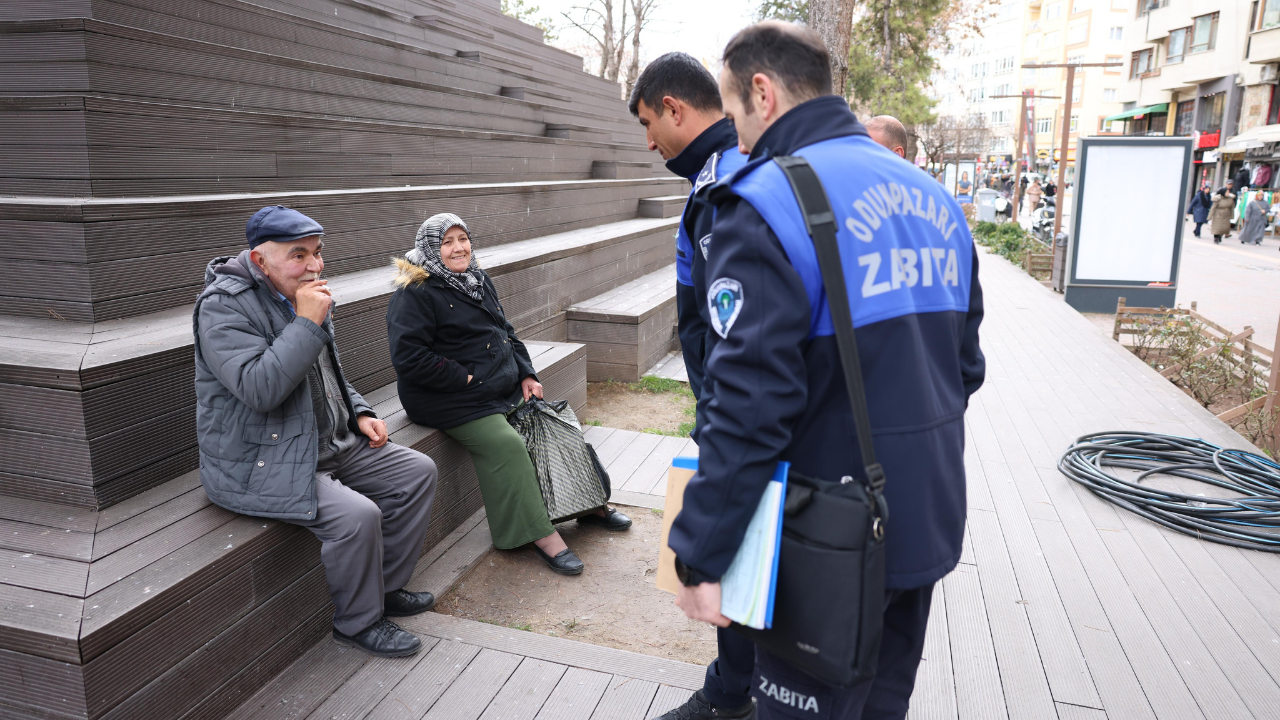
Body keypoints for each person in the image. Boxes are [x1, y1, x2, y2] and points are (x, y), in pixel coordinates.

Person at [670, 21, 985, 720]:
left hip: (827, 542)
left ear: (763, 91)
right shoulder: (935, 201)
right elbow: (965, 368)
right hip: (923, 519)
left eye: (731, 113)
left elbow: (749, 405)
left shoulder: (766, 203)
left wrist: (701, 553)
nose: (735, 136)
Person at [194, 205, 439, 658]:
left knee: (416, 472)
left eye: (318, 253)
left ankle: (381, 590)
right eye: (298, 255)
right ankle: (357, 623)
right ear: (259, 261)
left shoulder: (301, 292)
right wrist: (306, 322)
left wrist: (360, 410)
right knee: (357, 517)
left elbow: (328, 372)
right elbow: (259, 388)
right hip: (258, 460)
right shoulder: (221, 308)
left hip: (325, 440)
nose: (314, 265)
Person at [386, 214, 631, 577]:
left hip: (494, 384)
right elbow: (409, 358)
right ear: (430, 249)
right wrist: (465, 378)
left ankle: (587, 503)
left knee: (553, 424)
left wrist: (527, 373)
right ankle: (539, 534)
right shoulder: (415, 292)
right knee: (507, 444)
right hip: (448, 396)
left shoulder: (476, 278)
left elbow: (505, 330)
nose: (458, 248)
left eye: (462, 238)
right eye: (447, 242)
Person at [628, 53, 757, 720]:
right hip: (723, 401)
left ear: (676, 108)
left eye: (651, 123)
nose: (649, 143)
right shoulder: (711, 174)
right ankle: (734, 686)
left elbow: (744, 336)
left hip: (741, 410)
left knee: (746, 542)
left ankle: (736, 696)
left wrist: (721, 420)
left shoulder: (736, 177)